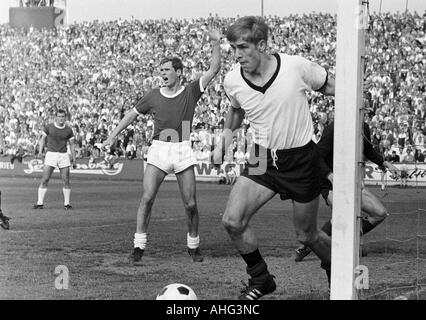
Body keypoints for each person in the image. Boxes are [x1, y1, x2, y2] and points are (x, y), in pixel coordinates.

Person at [213, 16, 334, 300]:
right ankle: (262, 279)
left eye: (243, 47)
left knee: (307, 236)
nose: (238, 55)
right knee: (232, 220)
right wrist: (224, 143)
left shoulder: (296, 67)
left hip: (302, 159)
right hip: (262, 157)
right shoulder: (233, 80)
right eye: (233, 48)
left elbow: (333, 88)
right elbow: (237, 111)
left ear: (263, 45)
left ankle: (338, 272)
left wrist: (358, 103)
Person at [102, 28, 221, 265]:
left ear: (178, 72)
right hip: (158, 150)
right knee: (147, 198)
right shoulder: (153, 95)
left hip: (183, 149)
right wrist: (113, 135)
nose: (163, 74)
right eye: (161, 70)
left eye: (167, 70)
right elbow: (131, 115)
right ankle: (139, 246)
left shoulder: (191, 91)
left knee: (191, 203)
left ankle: (193, 246)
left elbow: (214, 69)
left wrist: (216, 42)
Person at [294, 122, 399, 262]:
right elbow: (317, 156)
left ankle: (321, 244)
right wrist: (330, 176)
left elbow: (367, 150)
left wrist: (384, 163)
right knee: (343, 214)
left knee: (379, 213)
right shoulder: (334, 127)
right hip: (329, 182)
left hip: (351, 181)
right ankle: (312, 244)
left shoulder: (363, 126)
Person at [33, 109, 76, 210]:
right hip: (51, 154)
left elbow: (72, 145)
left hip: (63, 155)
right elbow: (42, 139)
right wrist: (40, 151)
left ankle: (67, 204)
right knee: (45, 179)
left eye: (63, 117)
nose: (61, 118)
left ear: (65, 118)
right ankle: (40, 203)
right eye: (59, 116)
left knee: (66, 180)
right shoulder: (49, 127)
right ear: (56, 117)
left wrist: (74, 158)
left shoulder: (69, 130)